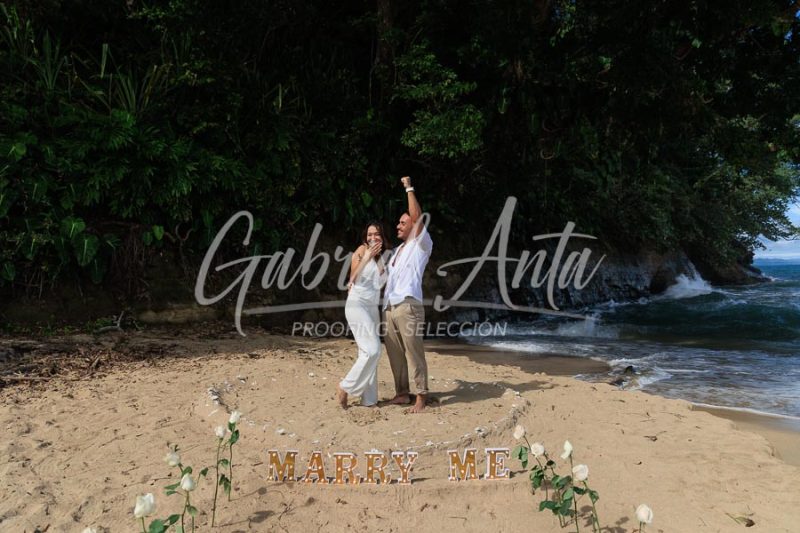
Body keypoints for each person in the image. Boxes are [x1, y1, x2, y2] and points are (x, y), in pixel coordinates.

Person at [383, 176, 433, 413]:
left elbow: (417, 216)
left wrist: (408, 188)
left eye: (403, 223)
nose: (398, 226)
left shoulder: (421, 244)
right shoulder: (396, 252)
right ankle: (402, 393)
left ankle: (421, 395)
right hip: (390, 306)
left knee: (414, 351)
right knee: (395, 353)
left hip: (409, 305)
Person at [337, 222, 388, 408]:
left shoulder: (382, 258)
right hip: (357, 303)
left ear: (382, 237)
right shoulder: (361, 250)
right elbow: (353, 277)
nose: (372, 237)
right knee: (373, 349)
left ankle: (369, 399)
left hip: (372, 307)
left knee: (367, 352)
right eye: (369, 234)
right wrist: (367, 256)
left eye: (376, 234)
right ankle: (345, 387)